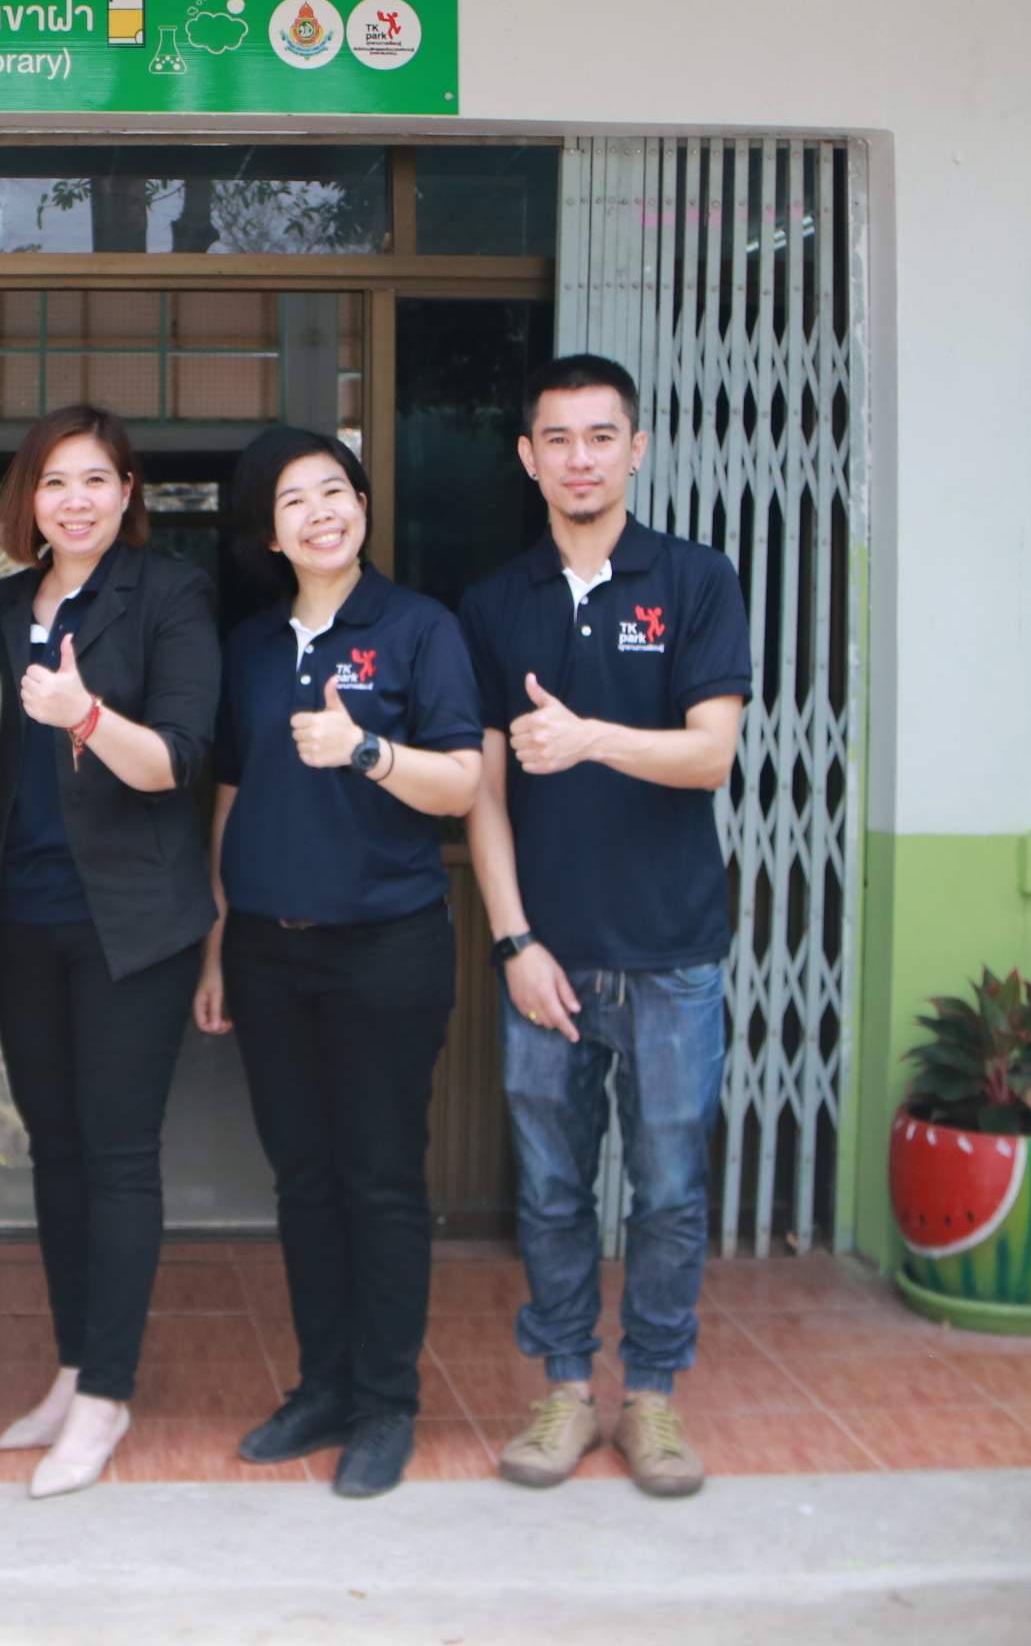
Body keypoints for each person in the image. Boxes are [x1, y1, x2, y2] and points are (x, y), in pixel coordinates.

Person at [459, 353, 750, 1500]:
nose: (579, 458)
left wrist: (590, 738)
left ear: (636, 448)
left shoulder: (695, 579)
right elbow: (484, 793)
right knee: (551, 1187)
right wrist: (513, 941)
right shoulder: (495, 602)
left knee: (669, 1188)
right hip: (550, 956)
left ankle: (655, 1399)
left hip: (674, 950)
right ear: (527, 458)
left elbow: (711, 755)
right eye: (557, 438)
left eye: (600, 436)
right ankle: (568, 1389)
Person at [195, 426, 486, 1501]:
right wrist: (220, 940)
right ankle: (323, 1384)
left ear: (363, 505)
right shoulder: (249, 647)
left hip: (385, 949)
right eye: (294, 500)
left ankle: (385, 1402)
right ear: (268, 534)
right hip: (268, 950)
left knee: (380, 1179)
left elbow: (461, 783)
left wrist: (366, 749)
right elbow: (231, 794)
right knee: (305, 1180)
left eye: (336, 491)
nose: (321, 512)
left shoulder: (419, 629)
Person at [0, 405, 221, 1497]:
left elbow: (179, 759)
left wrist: (83, 716)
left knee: (117, 1153)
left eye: (95, 480)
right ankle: (75, 1368)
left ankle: (109, 1393)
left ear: (128, 494)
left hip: (131, 924)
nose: (74, 500)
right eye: (54, 482)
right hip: (19, 917)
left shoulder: (170, 595)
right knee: (55, 1151)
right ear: (28, 499)